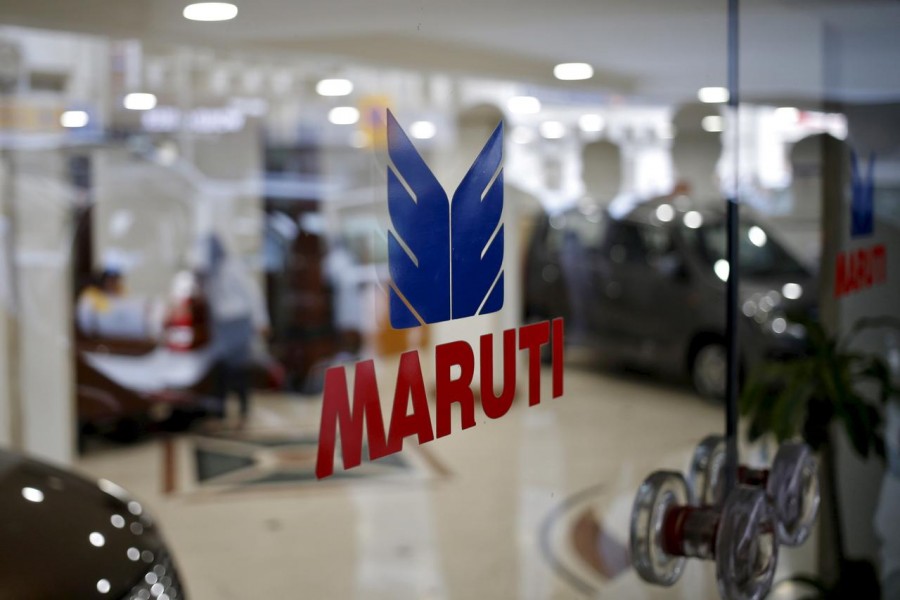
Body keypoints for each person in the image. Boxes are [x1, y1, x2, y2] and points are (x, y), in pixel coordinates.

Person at [202, 234, 270, 426]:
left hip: (238, 323)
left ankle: (243, 411)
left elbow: (253, 295)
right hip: (221, 325)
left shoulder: (234, 268)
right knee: (221, 369)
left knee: (238, 369)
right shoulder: (210, 272)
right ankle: (220, 412)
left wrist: (261, 321)